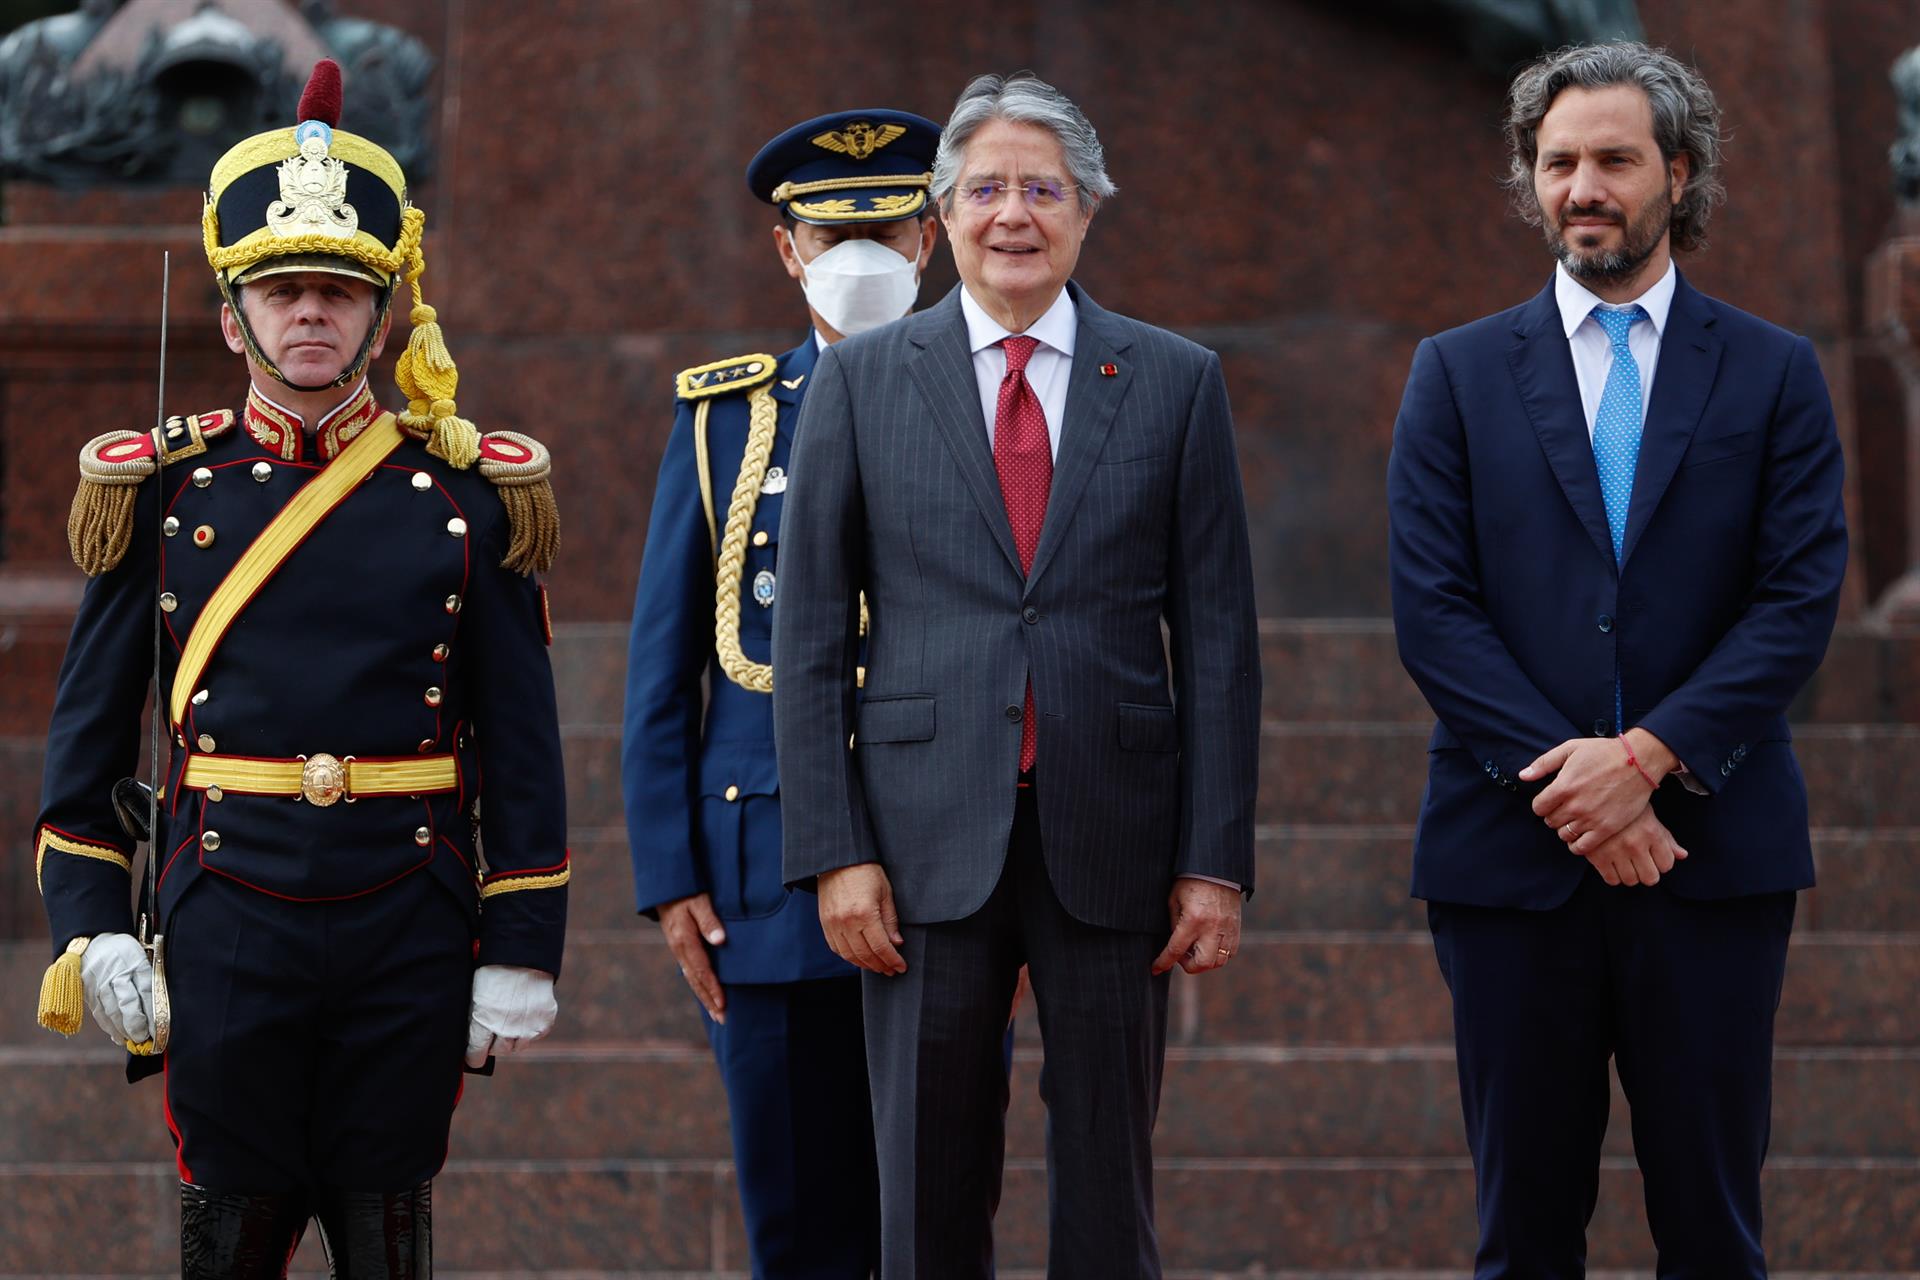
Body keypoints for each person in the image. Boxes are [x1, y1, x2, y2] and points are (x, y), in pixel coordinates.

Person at [32, 59, 567, 1277]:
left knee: (388, 1221)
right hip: (227, 909)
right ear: (234, 318)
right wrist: (92, 927)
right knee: (232, 1222)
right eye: (282, 292)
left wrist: (522, 940)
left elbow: (522, 740)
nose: (310, 314)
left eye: (337, 290)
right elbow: (88, 741)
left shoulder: (470, 494)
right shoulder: (163, 489)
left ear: (383, 315)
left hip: (408, 910)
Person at [771, 72, 1262, 1278]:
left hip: (1118, 832)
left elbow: (1218, 640)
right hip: (922, 837)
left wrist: (1214, 861)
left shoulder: (1174, 379)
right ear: (941, 218)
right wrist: (835, 850)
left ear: (1088, 210)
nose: (1014, 214)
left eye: (1043, 188)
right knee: (928, 1189)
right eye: (984, 188)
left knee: (1110, 1185)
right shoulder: (864, 379)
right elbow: (814, 633)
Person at [1387, 41, 1847, 1277]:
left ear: (1678, 174)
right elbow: (1433, 611)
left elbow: (1797, 600)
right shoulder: (1456, 371)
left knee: (1713, 1226)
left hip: (1712, 851)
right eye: (1558, 163)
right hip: (1509, 858)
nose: (1583, 186)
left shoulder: (1776, 371)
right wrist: (1579, 786)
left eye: (1613, 160)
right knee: (1522, 1233)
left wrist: (1646, 759)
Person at [621, 107, 940, 1277]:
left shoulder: (996, 400)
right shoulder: (723, 418)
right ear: (785, 250)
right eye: (828, 232)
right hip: (759, 875)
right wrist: (669, 877)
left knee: (931, 1218)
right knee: (797, 1225)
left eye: (889, 225)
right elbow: (662, 663)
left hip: (953, 857)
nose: (860, 257)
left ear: (931, 238)